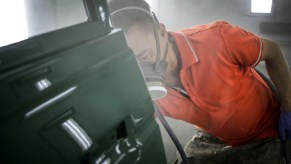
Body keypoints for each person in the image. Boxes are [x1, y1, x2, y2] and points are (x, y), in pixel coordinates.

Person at [108, 0, 291, 163]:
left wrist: (289, 108)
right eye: (132, 62)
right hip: (214, 137)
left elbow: (273, 51)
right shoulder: (138, 85)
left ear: (162, 32)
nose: (141, 69)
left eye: (144, 55)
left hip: (267, 132)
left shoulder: (217, 39)